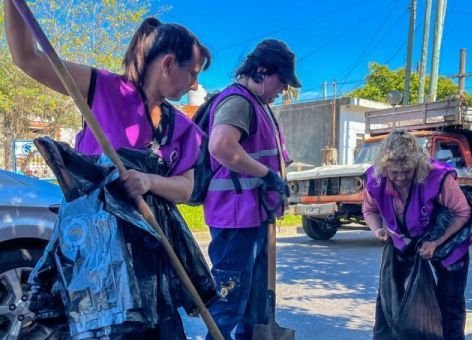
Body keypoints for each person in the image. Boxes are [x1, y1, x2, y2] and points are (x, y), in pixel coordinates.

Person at [5, 2, 215, 338]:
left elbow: (187, 188)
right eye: (192, 73)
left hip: (152, 257)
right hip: (95, 257)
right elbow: (27, 58)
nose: (193, 85)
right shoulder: (101, 88)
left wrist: (148, 180)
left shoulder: (180, 127)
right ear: (168, 63)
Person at [203, 39, 301, 339]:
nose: (283, 89)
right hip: (235, 219)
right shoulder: (239, 102)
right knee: (228, 301)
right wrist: (267, 175)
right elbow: (221, 146)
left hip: (251, 216)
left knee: (249, 302)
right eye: (280, 81)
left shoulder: (256, 105)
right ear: (261, 71)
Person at [362, 129, 472, 340]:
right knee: (389, 299)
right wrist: (377, 229)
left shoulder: (437, 176)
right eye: (394, 173)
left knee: (450, 302)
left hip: (448, 245)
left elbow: (462, 212)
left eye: (407, 172)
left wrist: (436, 242)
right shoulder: (375, 179)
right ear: (384, 168)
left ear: (417, 165)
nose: (401, 177)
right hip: (405, 242)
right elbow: (370, 210)